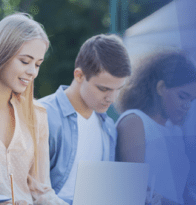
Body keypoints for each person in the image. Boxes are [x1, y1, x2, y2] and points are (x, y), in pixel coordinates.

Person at [38, 34, 131, 204]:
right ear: (79, 75)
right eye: (104, 89)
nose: (112, 98)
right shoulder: (43, 114)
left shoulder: (108, 127)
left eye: (118, 89)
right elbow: (31, 187)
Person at [0, 13, 67, 205]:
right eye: (25, 61)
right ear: (2, 53)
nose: (33, 72)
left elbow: (42, 191)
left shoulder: (37, 115)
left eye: (38, 64)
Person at [116, 52, 196, 204]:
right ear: (160, 88)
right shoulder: (135, 121)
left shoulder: (175, 130)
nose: (187, 106)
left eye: (191, 100)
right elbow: (135, 188)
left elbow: (182, 191)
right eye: (182, 96)